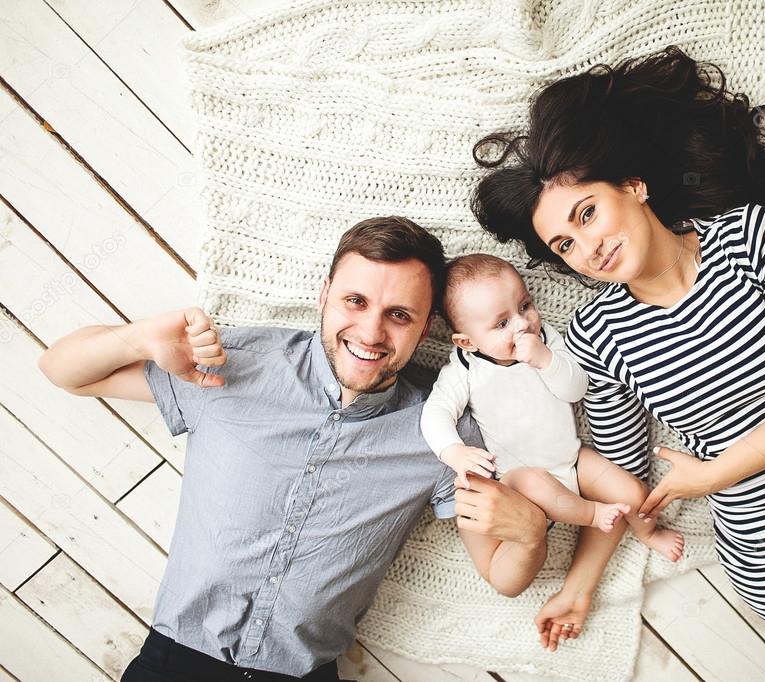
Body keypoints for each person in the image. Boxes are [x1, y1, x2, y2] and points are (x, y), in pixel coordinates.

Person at [470, 46, 765, 680]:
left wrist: (711, 474)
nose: (587, 247)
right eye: (565, 243)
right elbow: (625, 480)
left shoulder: (751, 239)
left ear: (633, 186)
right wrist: (581, 585)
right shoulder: (598, 334)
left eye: (587, 213)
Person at [38, 217, 552, 681]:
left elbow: (501, 575)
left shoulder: (443, 434)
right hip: (175, 662)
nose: (371, 332)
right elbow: (64, 371)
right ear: (324, 293)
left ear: (427, 328)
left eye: (399, 314)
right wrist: (140, 338)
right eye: (356, 301)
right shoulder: (233, 363)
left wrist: (530, 537)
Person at [420, 253, 686, 568]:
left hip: (572, 460)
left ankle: (648, 532)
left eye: (525, 306)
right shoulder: (464, 368)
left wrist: (546, 360)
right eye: (502, 323)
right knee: (535, 481)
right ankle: (592, 514)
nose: (522, 324)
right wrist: (453, 452)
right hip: (520, 479)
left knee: (631, 489)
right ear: (467, 342)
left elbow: (576, 389)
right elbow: (435, 413)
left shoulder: (547, 340)